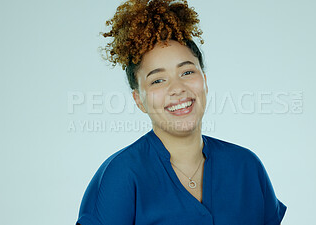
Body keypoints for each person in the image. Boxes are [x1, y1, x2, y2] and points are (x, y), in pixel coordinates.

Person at [76, 0, 287, 224]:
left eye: (187, 72)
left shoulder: (246, 167)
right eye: (158, 80)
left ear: (204, 81)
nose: (177, 88)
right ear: (138, 99)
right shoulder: (121, 176)